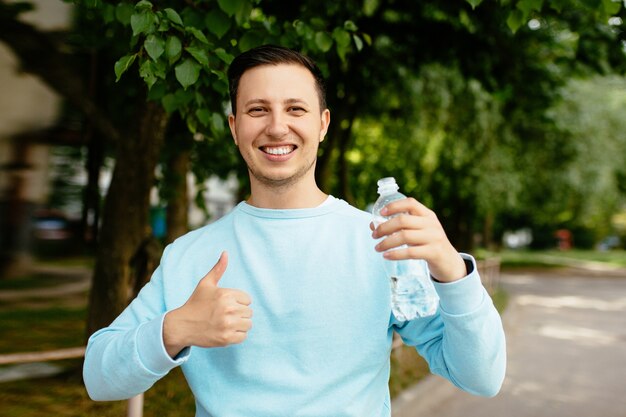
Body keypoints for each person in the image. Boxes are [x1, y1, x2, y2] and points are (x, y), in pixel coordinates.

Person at [83, 44, 506, 416]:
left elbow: (482, 377)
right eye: (257, 110)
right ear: (234, 128)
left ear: (322, 124)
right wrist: (174, 329)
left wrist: (453, 271)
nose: (277, 126)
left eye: (295, 108)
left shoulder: (381, 242)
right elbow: (99, 378)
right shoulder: (190, 255)